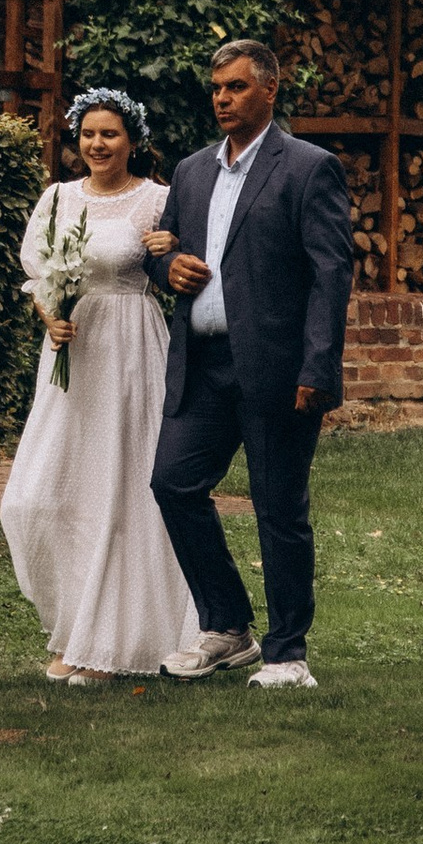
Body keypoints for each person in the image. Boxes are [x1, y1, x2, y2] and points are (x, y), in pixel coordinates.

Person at [152, 38, 352, 689]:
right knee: (173, 483)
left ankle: (287, 654)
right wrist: (167, 267)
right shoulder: (191, 172)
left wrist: (318, 367)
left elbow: (329, 275)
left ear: (269, 89)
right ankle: (227, 628)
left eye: (236, 87)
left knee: (277, 508)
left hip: (277, 368)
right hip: (202, 364)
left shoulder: (309, 168)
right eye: (216, 89)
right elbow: (164, 249)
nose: (222, 99)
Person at [0, 86, 201, 684]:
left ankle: (109, 643)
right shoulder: (58, 198)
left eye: (109, 134)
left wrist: (171, 247)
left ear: (132, 141)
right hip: (72, 354)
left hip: (131, 350)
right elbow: (37, 274)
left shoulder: (158, 199)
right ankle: (73, 627)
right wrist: (50, 318)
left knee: (119, 490)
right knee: (42, 494)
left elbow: (184, 264)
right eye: (88, 134)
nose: (97, 144)